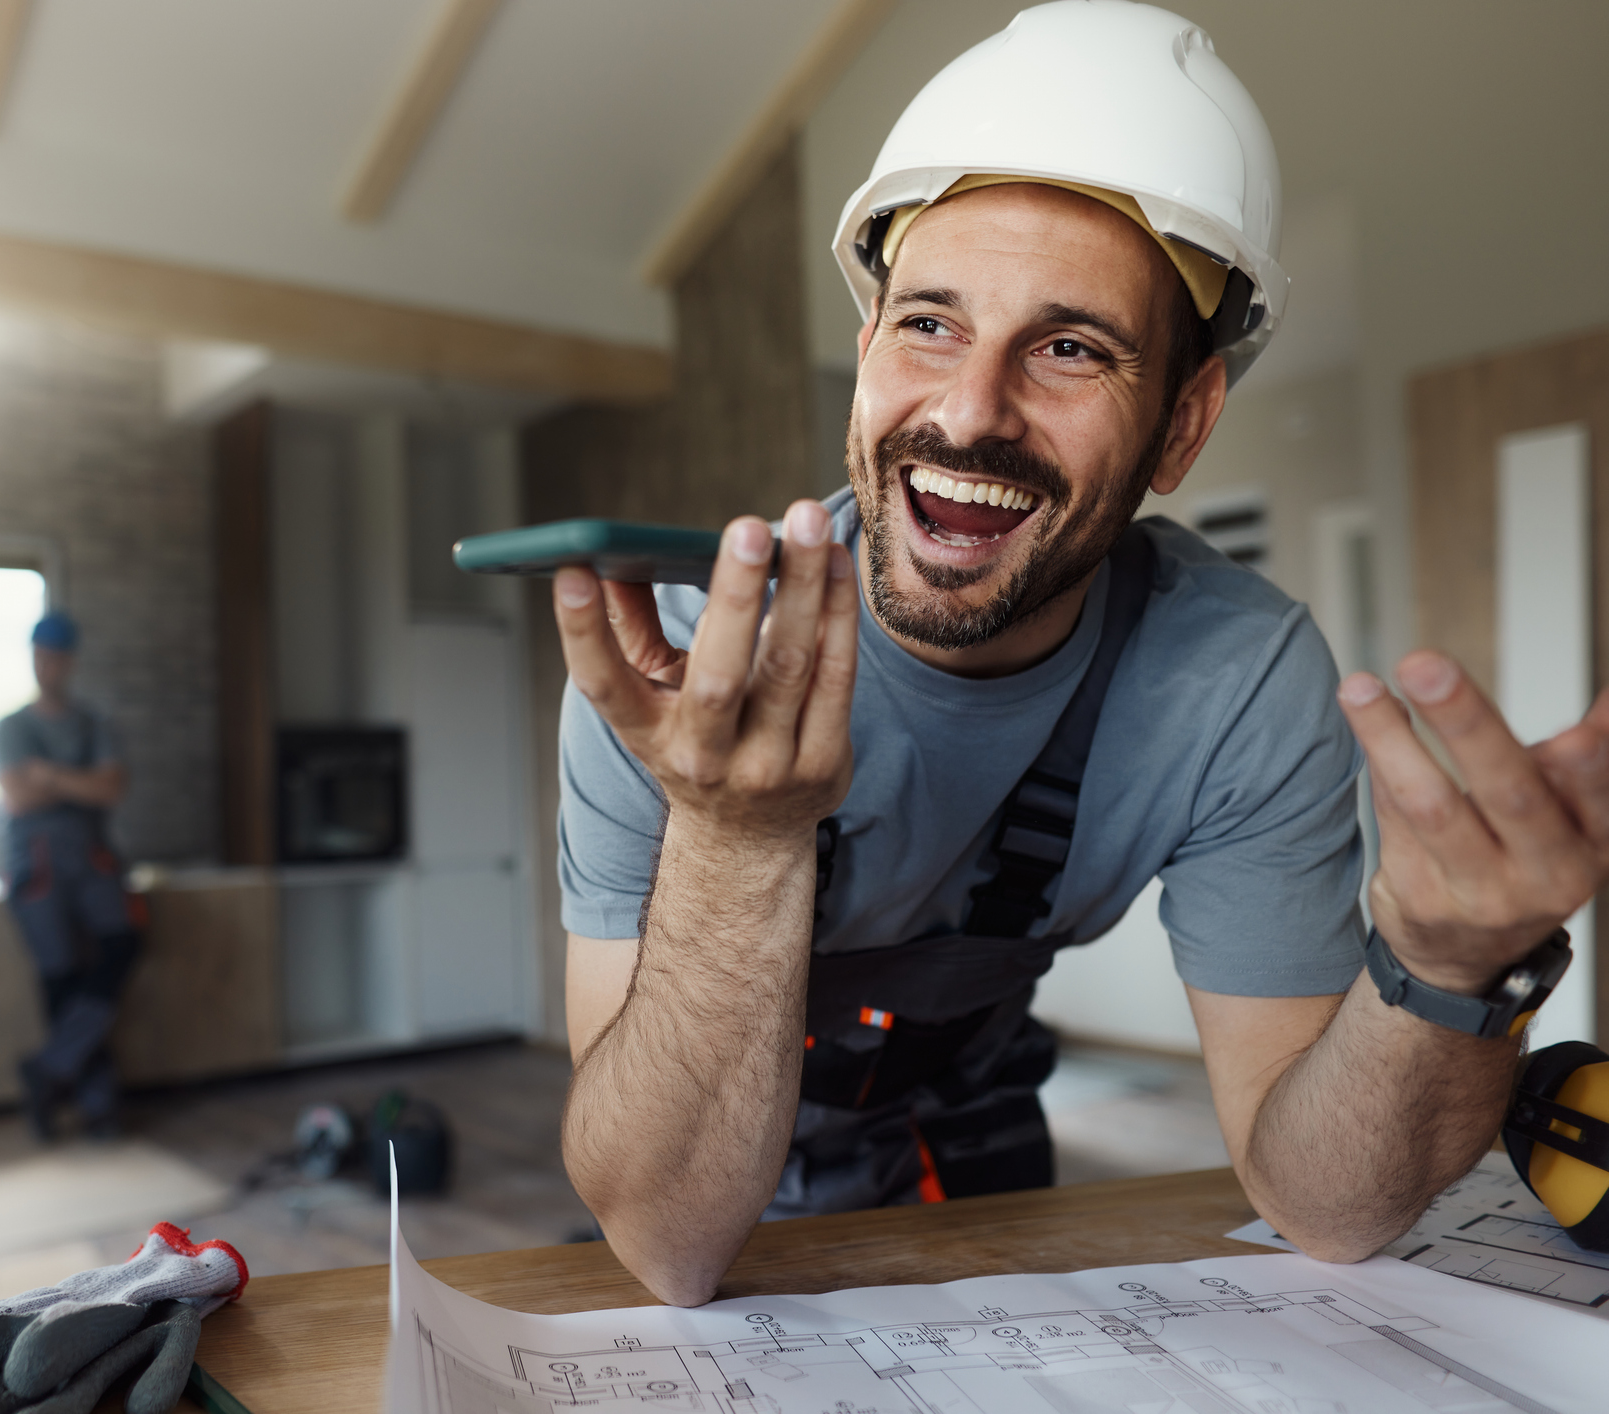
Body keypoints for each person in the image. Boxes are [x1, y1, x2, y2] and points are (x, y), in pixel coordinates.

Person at [554, 0, 1609, 1307]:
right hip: (687, 1168)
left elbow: (1325, 1209)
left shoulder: (1233, 681)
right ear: (867, 354)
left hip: (973, 1152)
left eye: (1069, 348)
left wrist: (1443, 972)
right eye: (929, 322)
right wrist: (735, 835)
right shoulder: (674, 666)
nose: (969, 410)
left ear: (1182, 427)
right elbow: (666, 1242)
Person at [0, 611, 143, 1142]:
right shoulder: (12, 728)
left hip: (95, 859)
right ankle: (95, 1103)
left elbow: (111, 790)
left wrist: (49, 775)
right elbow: (17, 796)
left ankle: (51, 1068)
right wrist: (78, 782)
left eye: (57, 655)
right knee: (63, 978)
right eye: (40, 655)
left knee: (123, 945)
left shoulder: (93, 723)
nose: (48, 665)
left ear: (71, 661)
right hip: (37, 866)